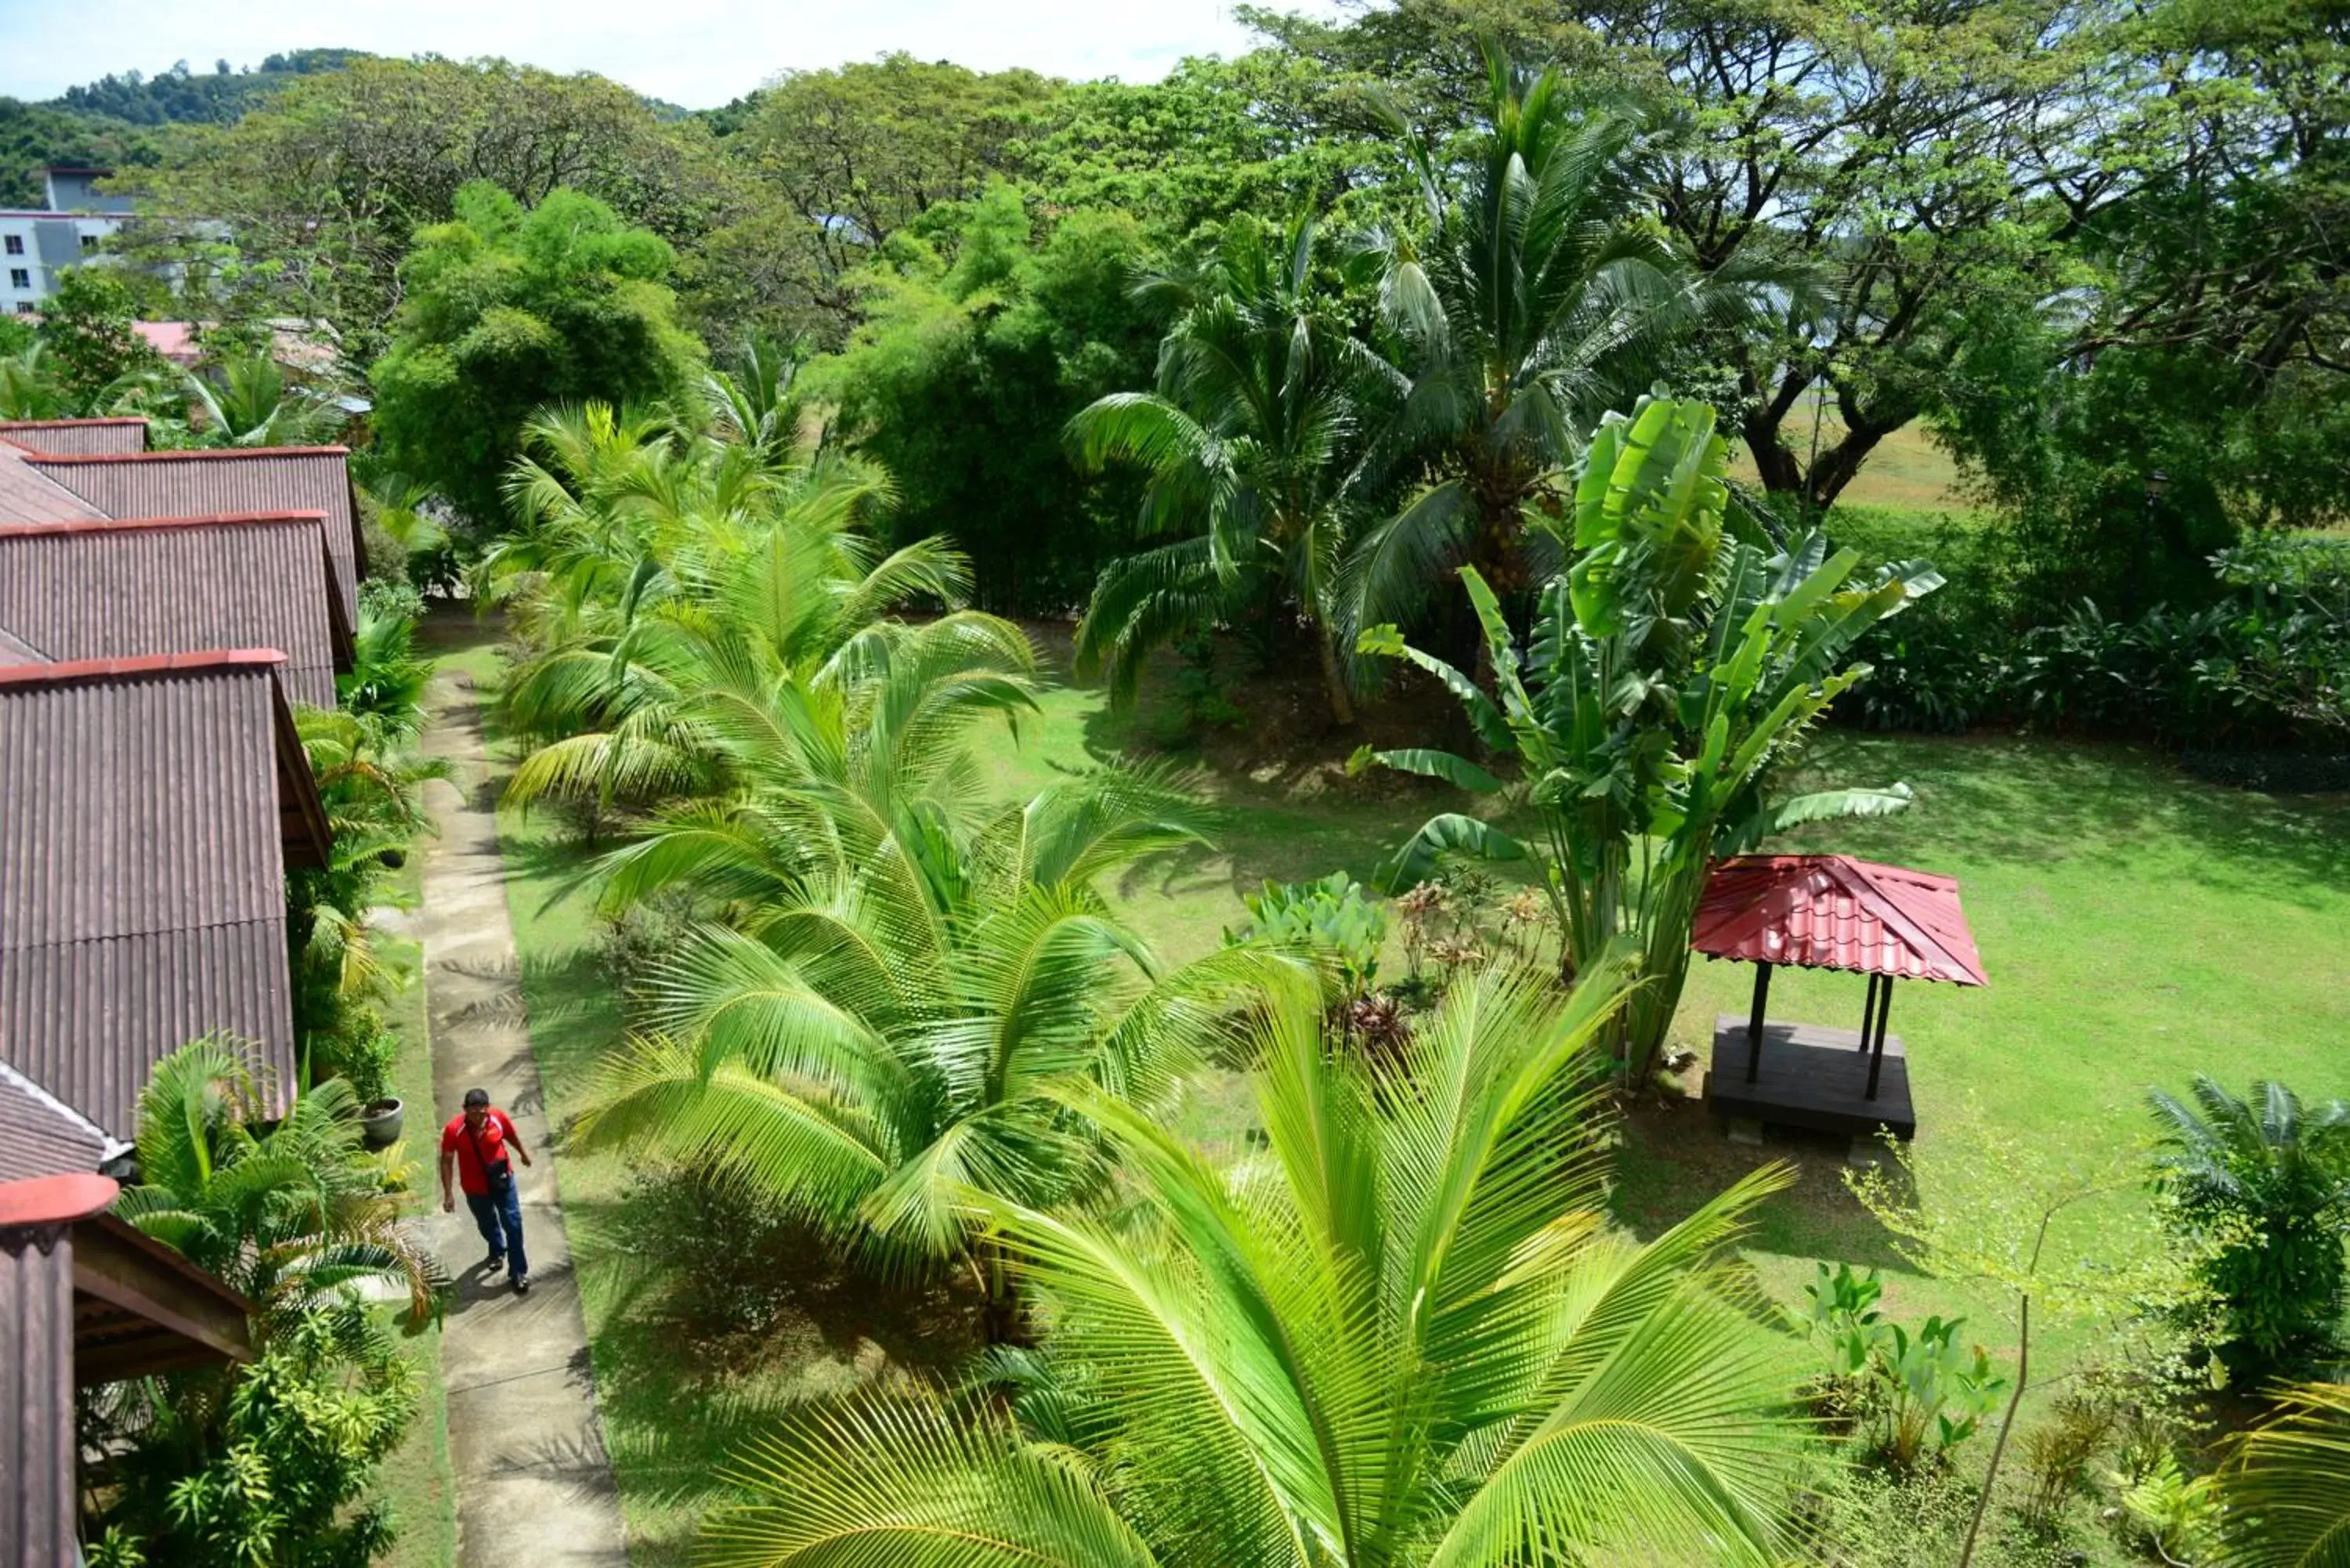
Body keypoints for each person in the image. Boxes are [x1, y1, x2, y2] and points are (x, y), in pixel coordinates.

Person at [439, 1087, 533, 1293]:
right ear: (465, 1109)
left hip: (503, 1181)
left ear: (487, 1109)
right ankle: (497, 1251)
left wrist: (523, 1154)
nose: (477, 1117)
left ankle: (518, 1272)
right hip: (475, 1188)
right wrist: (448, 1194)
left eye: (481, 1112)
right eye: (472, 1112)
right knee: (487, 1224)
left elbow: (510, 1135)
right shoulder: (454, 1129)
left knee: (514, 1224)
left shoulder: (497, 1118)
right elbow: (447, 1161)